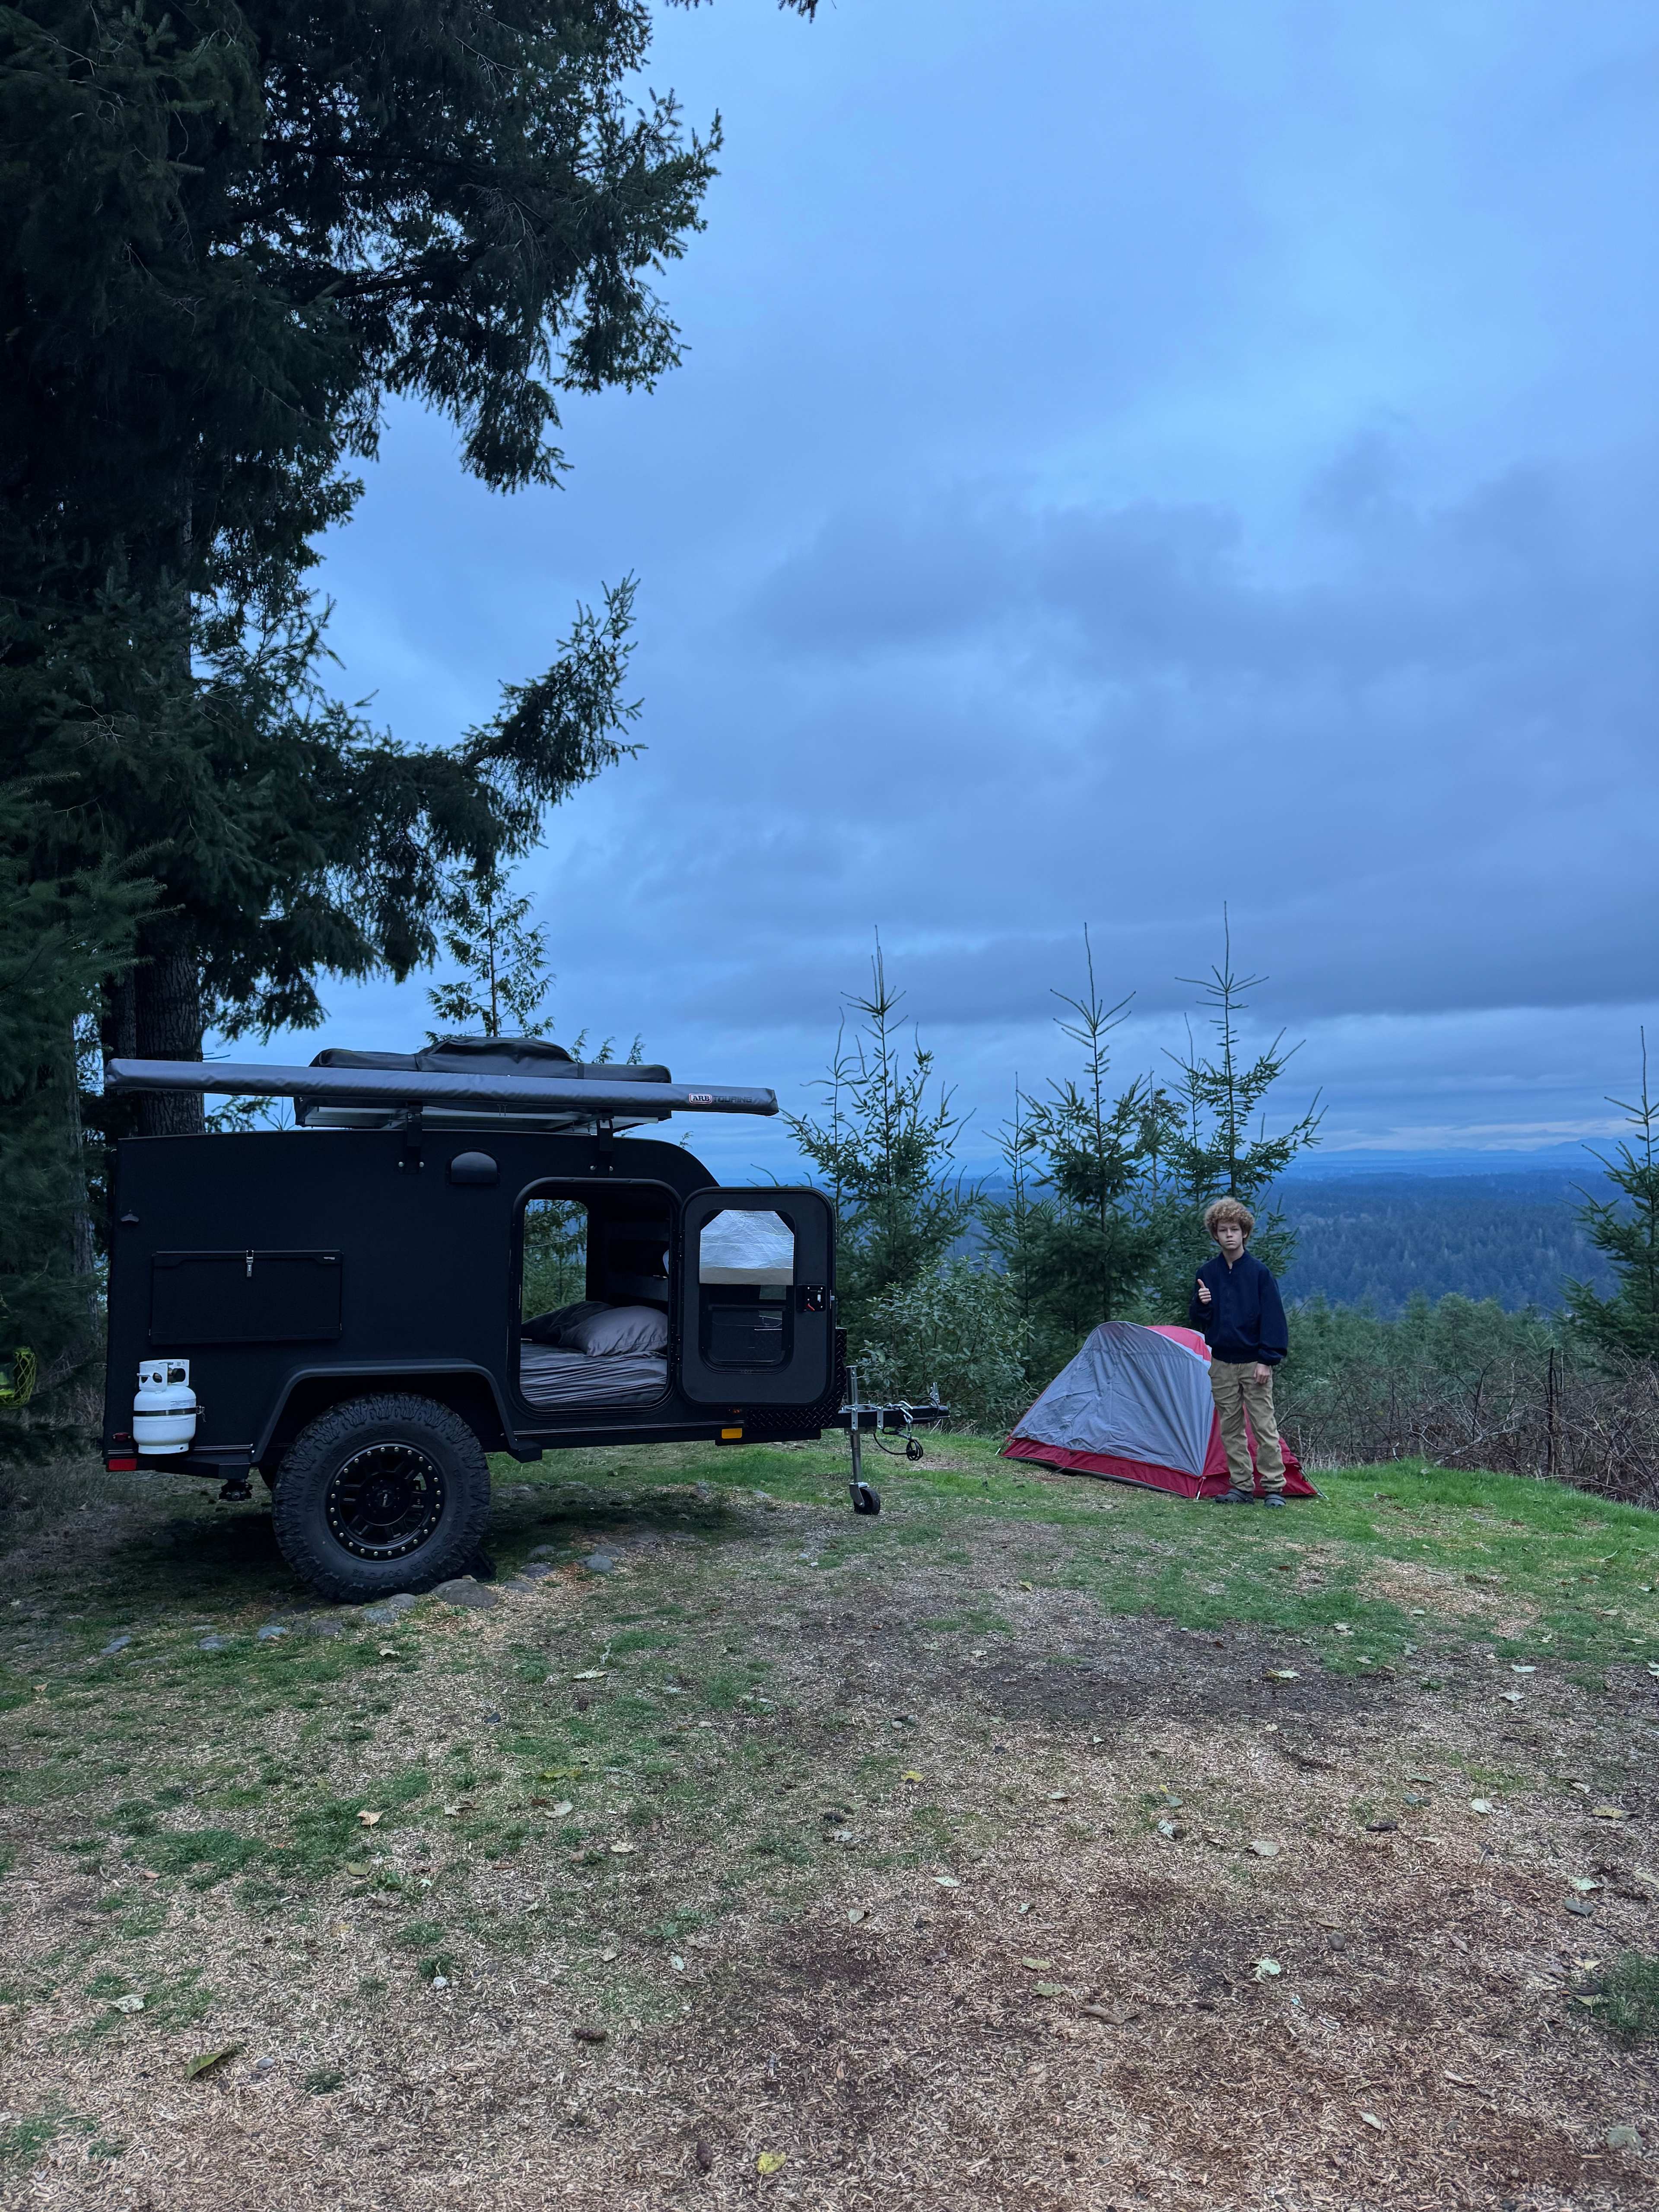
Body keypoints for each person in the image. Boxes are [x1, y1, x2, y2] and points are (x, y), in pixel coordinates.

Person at [1188, 1197, 1290, 1506]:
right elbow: (1200, 1319)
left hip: (1253, 1363)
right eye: (1223, 1230)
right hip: (1221, 1361)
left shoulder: (1259, 1273)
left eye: (1235, 1229)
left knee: (1263, 1427)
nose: (1229, 1235)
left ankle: (1273, 1488)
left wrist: (1267, 1359)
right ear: (1215, 1235)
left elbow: (1273, 1318)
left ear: (1245, 1232)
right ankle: (1241, 1487)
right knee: (1230, 1428)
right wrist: (1202, 1304)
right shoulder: (1208, 1272)